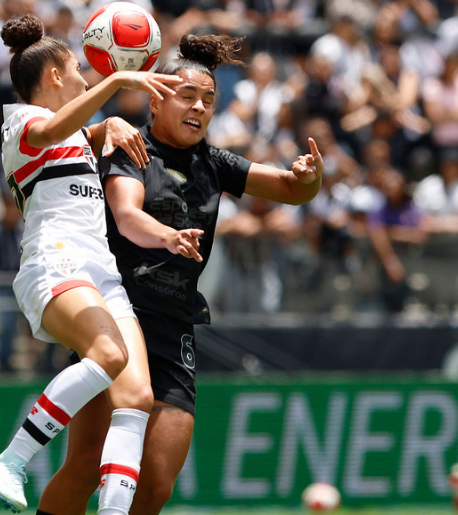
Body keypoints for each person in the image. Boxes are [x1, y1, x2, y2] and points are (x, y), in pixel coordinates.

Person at [36, 34, 324, 515]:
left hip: (174, 328)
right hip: (117, 320)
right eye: (186, 95)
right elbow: (126, 214)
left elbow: (293, 192)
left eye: (209, 100)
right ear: (156, 98)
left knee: (155, 487)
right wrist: (168, 236)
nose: (199, 107)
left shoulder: (214, 163)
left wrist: (310, 176)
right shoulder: (132, 146)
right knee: (87, 466)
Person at [0, 14, 184, 515]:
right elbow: (51, 131)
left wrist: (108, 121)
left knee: (135, 395)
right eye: (77, 71)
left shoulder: (74, 133)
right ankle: (11, 459)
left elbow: (78, 136)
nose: (86, 79)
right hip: (56, 261)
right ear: (53, 77)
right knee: (109, 354)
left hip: (101, 272)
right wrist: (114, 84)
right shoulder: (21, 121)